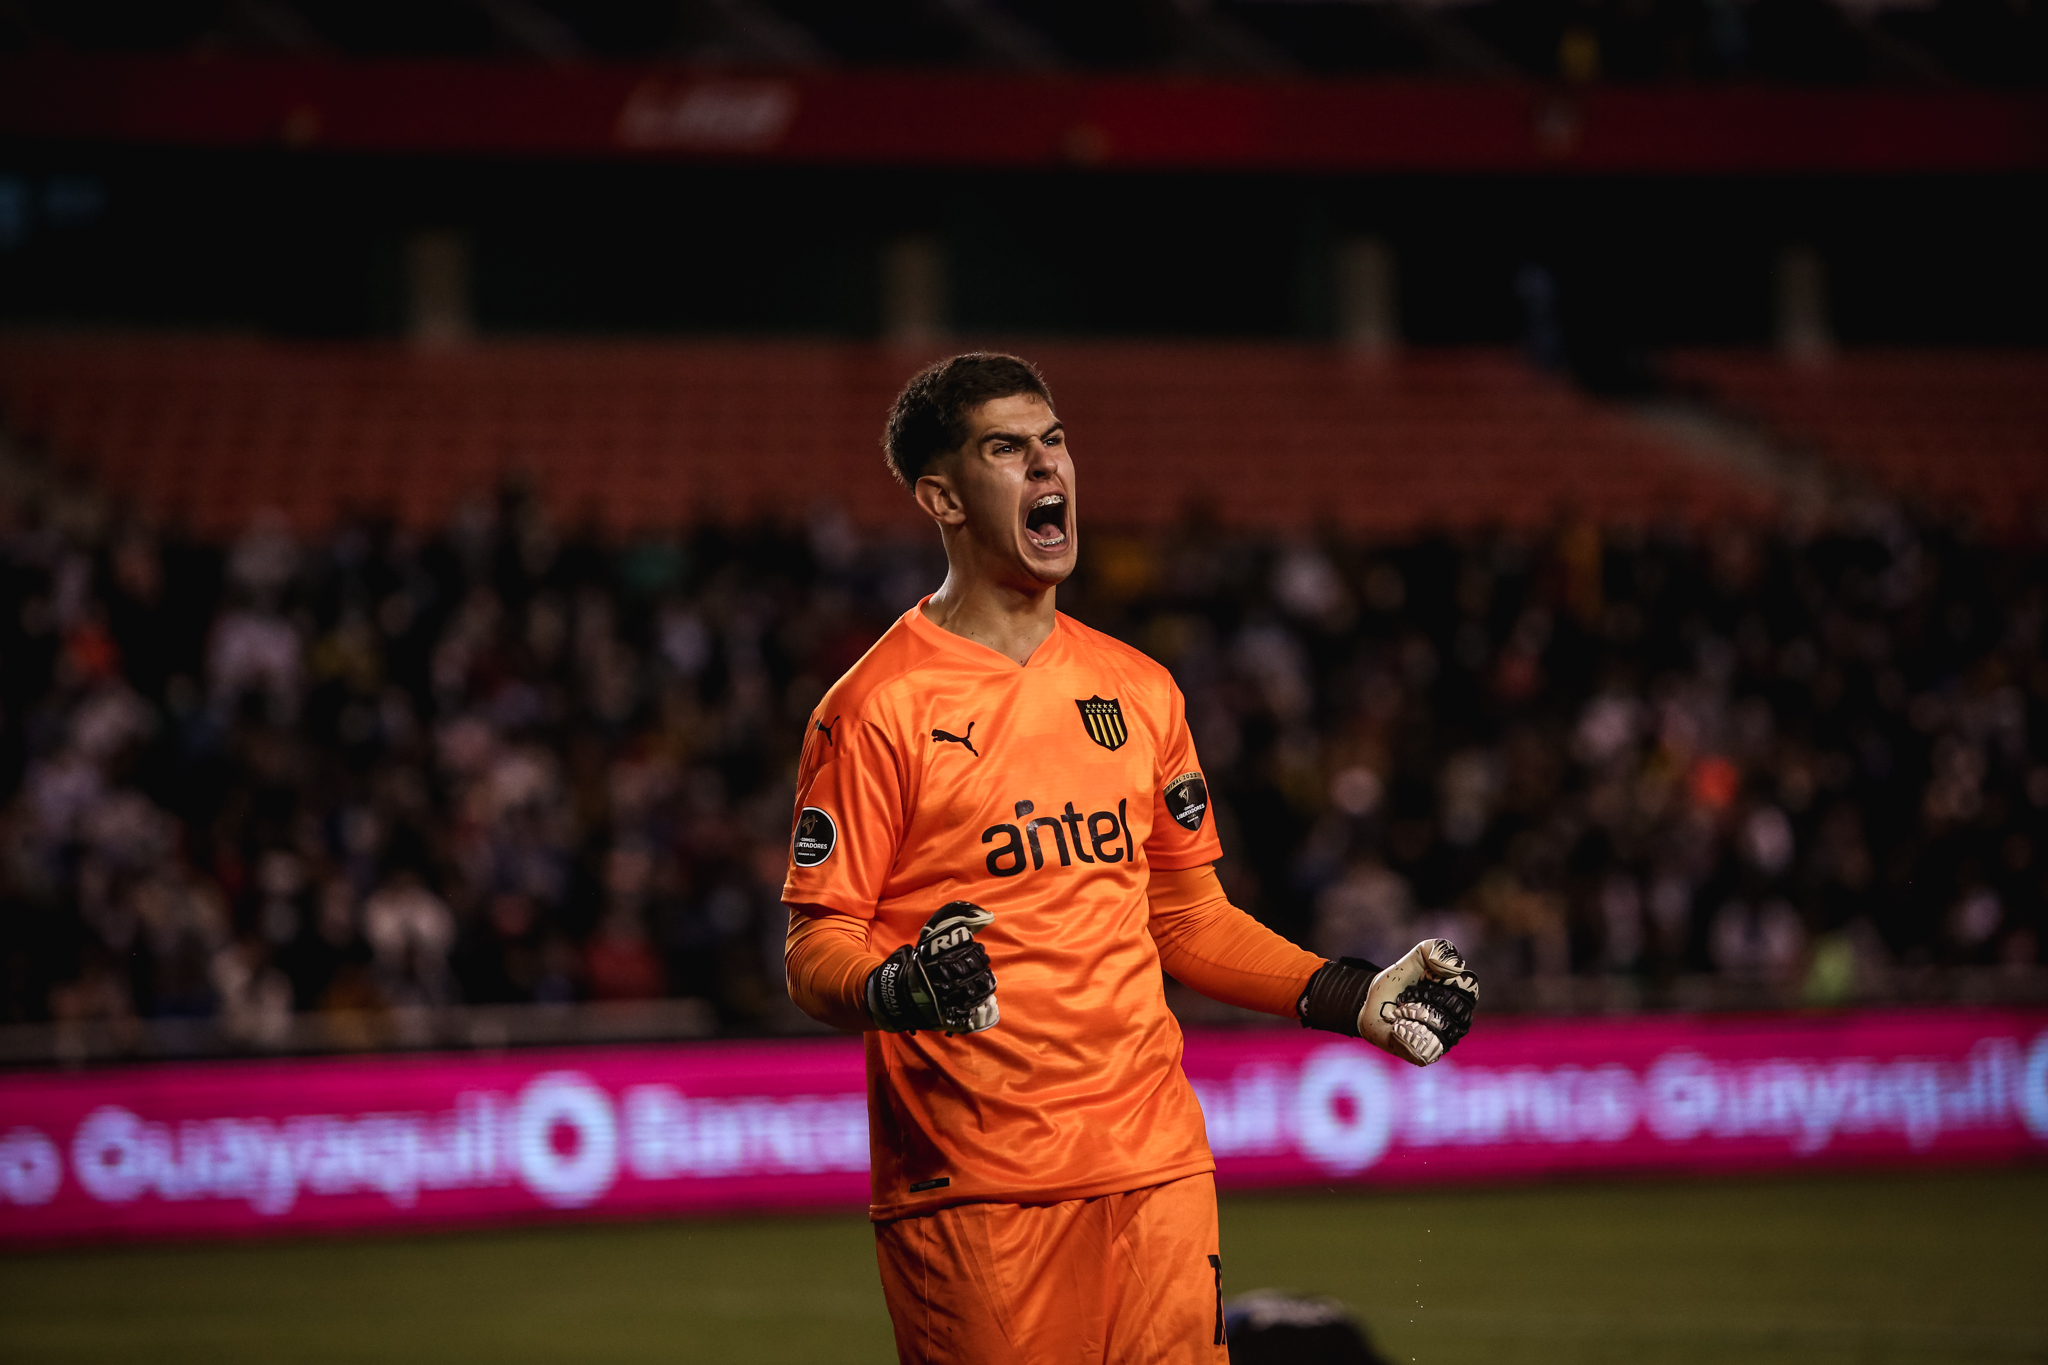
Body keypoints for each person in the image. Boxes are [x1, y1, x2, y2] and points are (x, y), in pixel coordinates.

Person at [782, 353, 1478, 1365]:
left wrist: (1351, 998)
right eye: (1005, 449)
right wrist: (896, 988)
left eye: (1053, 440)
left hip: (1154, 1169)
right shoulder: (874, 708)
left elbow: (1186, 917)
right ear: (941, 496)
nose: (1045, 467)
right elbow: (814, 954)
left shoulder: (1137, 689)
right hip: (976, 1188)